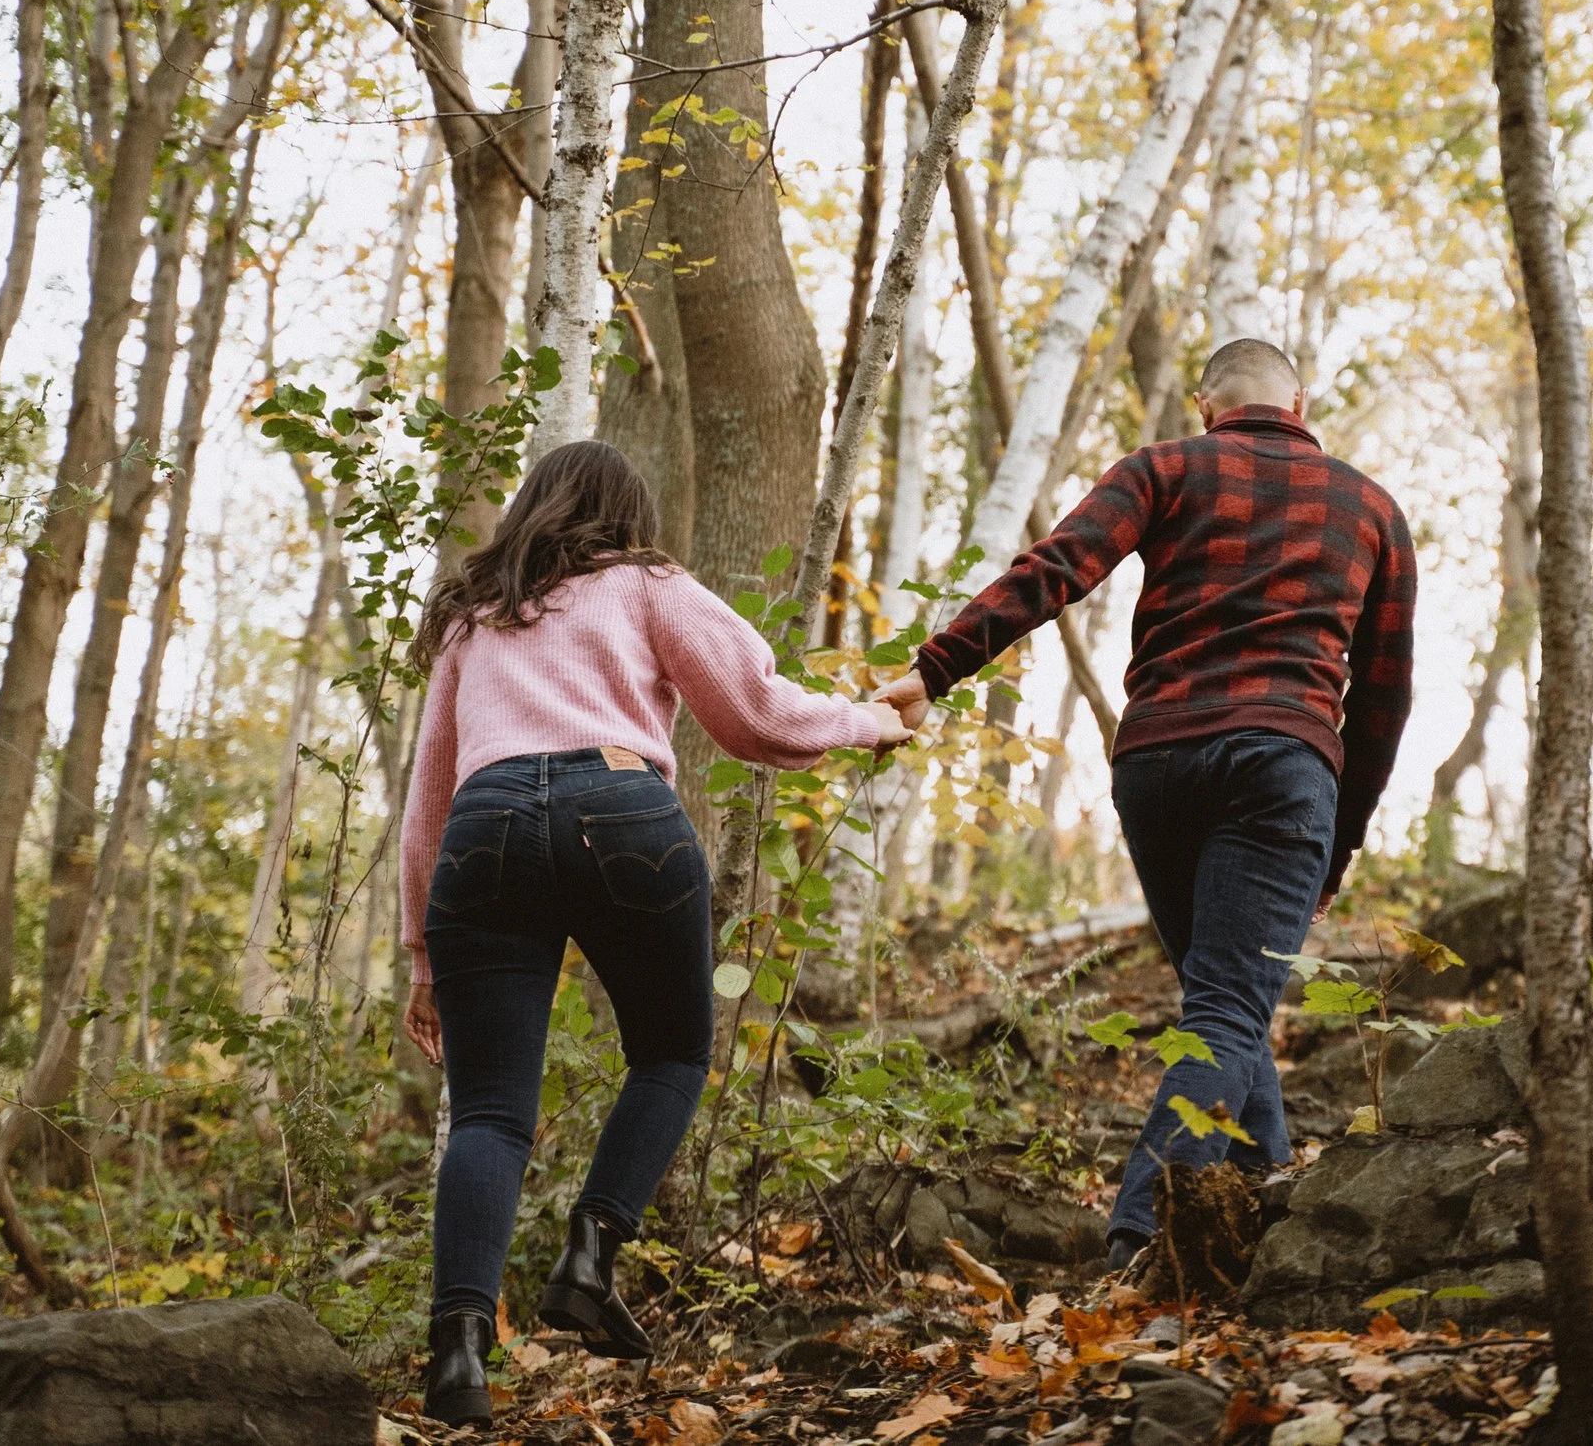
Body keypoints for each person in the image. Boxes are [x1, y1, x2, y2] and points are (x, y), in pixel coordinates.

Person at [399, 440, 908, 1427]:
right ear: (626, 514)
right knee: (673, 1051)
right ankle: (589, 1255)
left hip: (485, 825)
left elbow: (427, 801)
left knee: (492, 1111)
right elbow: (755, 716)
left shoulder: (474, 616)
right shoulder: (645, 583)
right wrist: (866, 721)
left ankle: (456, 1350)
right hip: (618, 802)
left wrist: (423, 955)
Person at [879, 338, 1416, 1269]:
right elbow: (1383, 695)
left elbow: (1057, 567)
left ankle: (1262, 1200)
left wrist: (938, 665)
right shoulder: (1370, 506)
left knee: (1222, 1002)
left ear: (1207, 403)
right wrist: (1340, 840)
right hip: (1283, 761)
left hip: (1158, 760)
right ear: (1302, 398)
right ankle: (1142, 1233)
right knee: (1228, 1009)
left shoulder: (1164, 467)